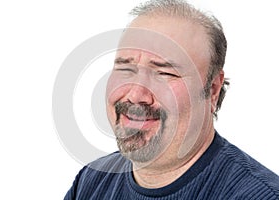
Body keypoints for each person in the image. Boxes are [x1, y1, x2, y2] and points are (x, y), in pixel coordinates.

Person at [64, 0, 279, 199]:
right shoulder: (90, 182)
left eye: (164, 73)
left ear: (213, 89)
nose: (136, 95)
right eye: (125, 67)